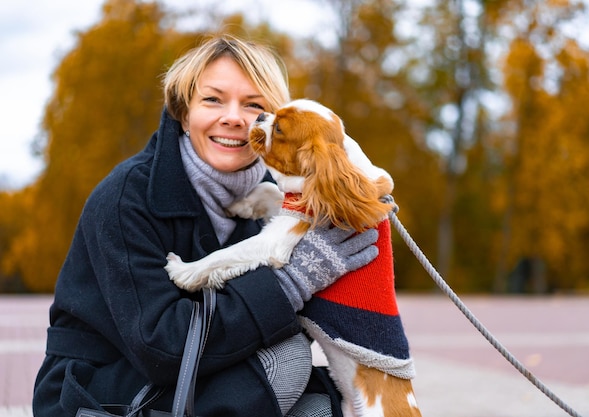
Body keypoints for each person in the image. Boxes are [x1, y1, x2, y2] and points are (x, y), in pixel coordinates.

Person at [32, 34, 379, 417]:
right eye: (213, 99)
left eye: (253, 104)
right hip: (101, 388)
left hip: (200, 374)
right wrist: (291, 283)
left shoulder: (275, 204)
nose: (232, 117)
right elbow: (160, 347)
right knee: (286, 363)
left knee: (320, 406)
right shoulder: (125, 197)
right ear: (184, 112)